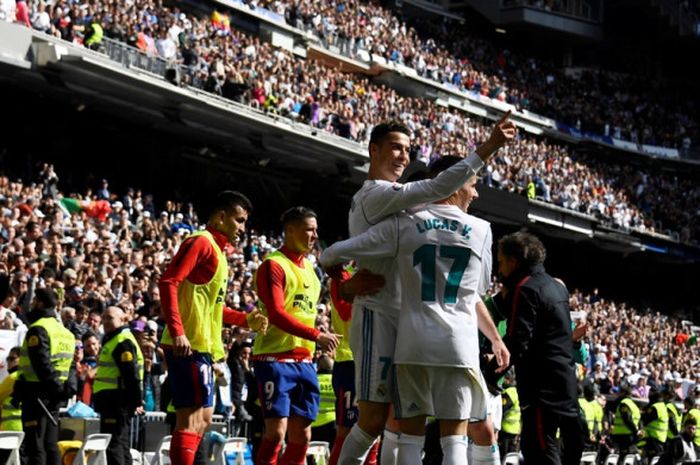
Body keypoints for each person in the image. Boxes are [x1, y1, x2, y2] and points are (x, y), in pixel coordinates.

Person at [338, 113, 517, 465]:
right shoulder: (377, 194)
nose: (404, 156)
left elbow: (468, 295)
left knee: (399, 421)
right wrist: (491, 145)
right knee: (375, 420)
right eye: (396, 148)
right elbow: (436, 188)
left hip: (405, 323)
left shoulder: (408, 211)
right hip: (381, 316)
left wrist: (495, 337)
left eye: (408, 149)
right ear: (373, 150)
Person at [158, 191, 268, 465]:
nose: (242, 228)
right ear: (221, 217)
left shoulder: (218, 253)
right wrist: (178, 331)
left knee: (205, 418)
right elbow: (168, 282)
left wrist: (245, 319)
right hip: (188, 344)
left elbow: (213, 308)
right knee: (191, 418)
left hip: (202, 346)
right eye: (239, 220)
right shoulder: (201, 242)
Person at [252, 206, 341, 465]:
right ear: (290, 230)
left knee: (302, 436)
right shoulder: (273, 265)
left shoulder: (312, 273)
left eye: (316, 230)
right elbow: (277, 314)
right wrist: (317, 335)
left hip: (304, 362)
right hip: (274, 359)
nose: (315, 235)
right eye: (309, 229)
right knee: (276, 432)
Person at [496, 232, 585, 465]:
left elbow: (518, 341)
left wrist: (490, 368)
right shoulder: (557, 287)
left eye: (501, 262)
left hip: (540, 389)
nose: (500, 269)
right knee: (559, 449)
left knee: (540, 450)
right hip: (564, 384)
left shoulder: (526, 288)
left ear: (514, 262)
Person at [14, 288, 77, 465]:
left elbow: (42, 364)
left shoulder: (38, 328)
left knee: (36, 445)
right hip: (55, 395)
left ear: (41, 303)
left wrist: (55, 388)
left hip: (37, 394)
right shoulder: (65, 333)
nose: (32, 304)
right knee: (50, 443)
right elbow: (71, 365)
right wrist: (65, 390)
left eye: (34, 301)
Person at [93, 306, 144, 465]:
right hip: (113, 400)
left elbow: (131, 375)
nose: (106, 321)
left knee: (113, 445)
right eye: (104, 317)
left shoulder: (122, 341)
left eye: (110, 318)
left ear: (122, 320)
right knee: (120, 443)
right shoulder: (114, 339)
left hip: (116, 400)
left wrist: (136, 401)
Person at [0, 347, 21, 464]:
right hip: (25, 429)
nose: (8, 361)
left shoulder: (13, 377)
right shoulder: (31, 377)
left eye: (12, 358)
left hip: (11, 430)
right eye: (8, 358)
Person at [610, 386, 641, 457]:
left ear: (623, 393)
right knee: (629, 457)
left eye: (619, 392)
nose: (618, 394)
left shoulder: (624, 404)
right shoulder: (634, 404)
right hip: (630, 435)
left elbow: (627, 419)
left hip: (623, 435)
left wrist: (635, 431)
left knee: (623, 458)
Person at [639, 388, 669, 460]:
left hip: (653, 438)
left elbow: (645, 419)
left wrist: (641, 414)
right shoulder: (662, 405)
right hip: (659, 438)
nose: (649, 396)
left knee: (651, 459)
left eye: (650, 394)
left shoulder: (655, 407)